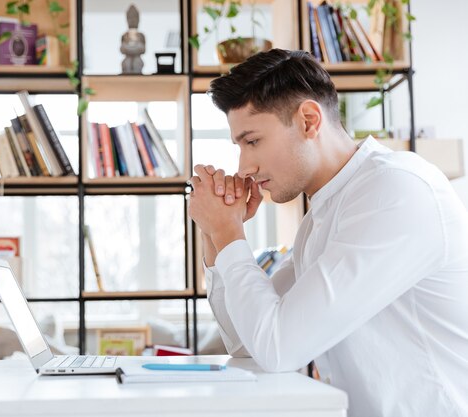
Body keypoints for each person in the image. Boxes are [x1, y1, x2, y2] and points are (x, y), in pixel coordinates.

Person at [188, 49, 468, 417]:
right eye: (239, 146)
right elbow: (248, 342)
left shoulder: (395, 191)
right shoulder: (323, 215)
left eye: (252, 141)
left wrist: (229, 233)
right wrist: (214, 235)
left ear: (308, 120)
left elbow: (278, 348)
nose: (244, 167)